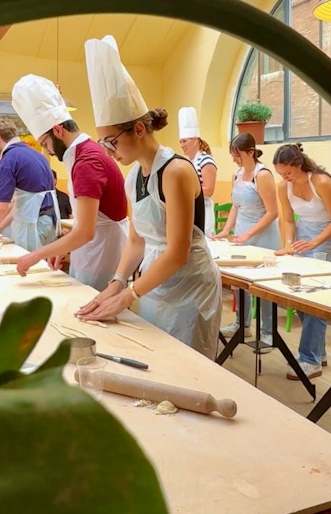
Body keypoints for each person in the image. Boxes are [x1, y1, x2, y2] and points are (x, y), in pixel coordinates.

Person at [75, 35, 222, 360]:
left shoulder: (176, 171)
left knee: (189, 367)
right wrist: (115, 283)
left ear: (139, 129)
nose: (109, 152)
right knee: (159, 359)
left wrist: (128, 294)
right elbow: (137, 241)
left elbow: (177, 252)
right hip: (157, 285)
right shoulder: (133, 177)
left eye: (111, 141)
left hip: (190, 287)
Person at [12, 74, 128, 291]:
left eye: (45, 143)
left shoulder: (86, 161)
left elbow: (85, 231)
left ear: (57, 130)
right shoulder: (86, 152)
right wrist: (63, 249)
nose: (47, 150)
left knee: (91, 310)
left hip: (101, 253)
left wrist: (37, 254)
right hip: (95, 247)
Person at [214, 133, 281, 350]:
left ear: (251, 152)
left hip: (262, 236)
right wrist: (226, 230)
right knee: (239, 283)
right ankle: (241, 323)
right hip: (243, 234)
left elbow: (272, 212)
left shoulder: (262, 175)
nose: (235, 159)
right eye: (233, 155)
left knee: (263, 286)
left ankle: (268, 332)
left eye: (238, 155)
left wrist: (249, 234)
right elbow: (235, 205)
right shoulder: (238, 174)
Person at [273, 143, 331, 379]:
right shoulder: (283, 187)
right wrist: (288, 245)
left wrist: (315, 243)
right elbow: (288, 220)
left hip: (325, 239)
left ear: (298, 164)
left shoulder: (321, 182)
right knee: (296, 296)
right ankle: (319, 351)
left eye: (287, 172)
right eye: (280, 174)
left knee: (314, 299)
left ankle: (310, 359)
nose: (284, 177)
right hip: (302, 240)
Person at [0, 118, 60, 251]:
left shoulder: (8, 160)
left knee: (28, 266)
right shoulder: (37, 155)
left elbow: (1, 206)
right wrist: (1, 226)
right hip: (50, 221)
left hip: (31, 225)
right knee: (44, 267)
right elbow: (23, 201)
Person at [178, 107, 217, 236]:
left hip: (203, 212)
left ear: (195, 140)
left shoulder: (206, 160)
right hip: (189, 211)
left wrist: (185, 191)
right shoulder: (186, 161)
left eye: (185, 141)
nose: (182, 145)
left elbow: (209, 190)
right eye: (180, 142)